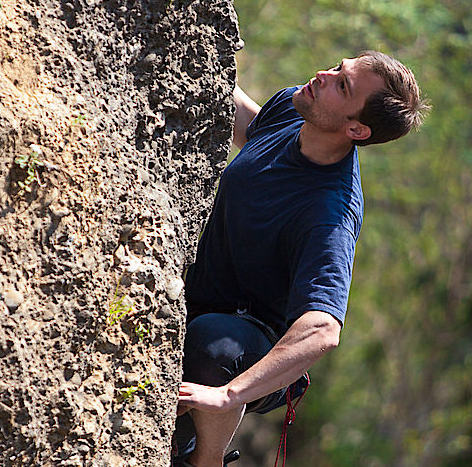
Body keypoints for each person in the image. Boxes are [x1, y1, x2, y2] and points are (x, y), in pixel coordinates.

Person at [174, 51, 430, 467]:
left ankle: (205, 460)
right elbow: (248, 123)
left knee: (216, 342)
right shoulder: (299, 109)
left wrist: (227, 395)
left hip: (249, 350)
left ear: (356, 128)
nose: (323, 76)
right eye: (338, 68)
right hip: (196, 300)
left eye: (341, 85)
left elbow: (323, 330)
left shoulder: (329, 214)